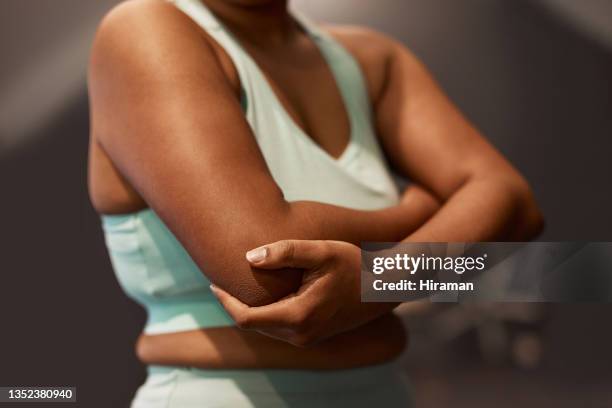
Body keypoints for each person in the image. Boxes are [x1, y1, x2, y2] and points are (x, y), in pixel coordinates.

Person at [87, 0, 543, 406]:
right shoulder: (145, 29)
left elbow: (516, 207)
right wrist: (425, 212)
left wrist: (379, 278)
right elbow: (265, 270)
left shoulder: (372, 60)